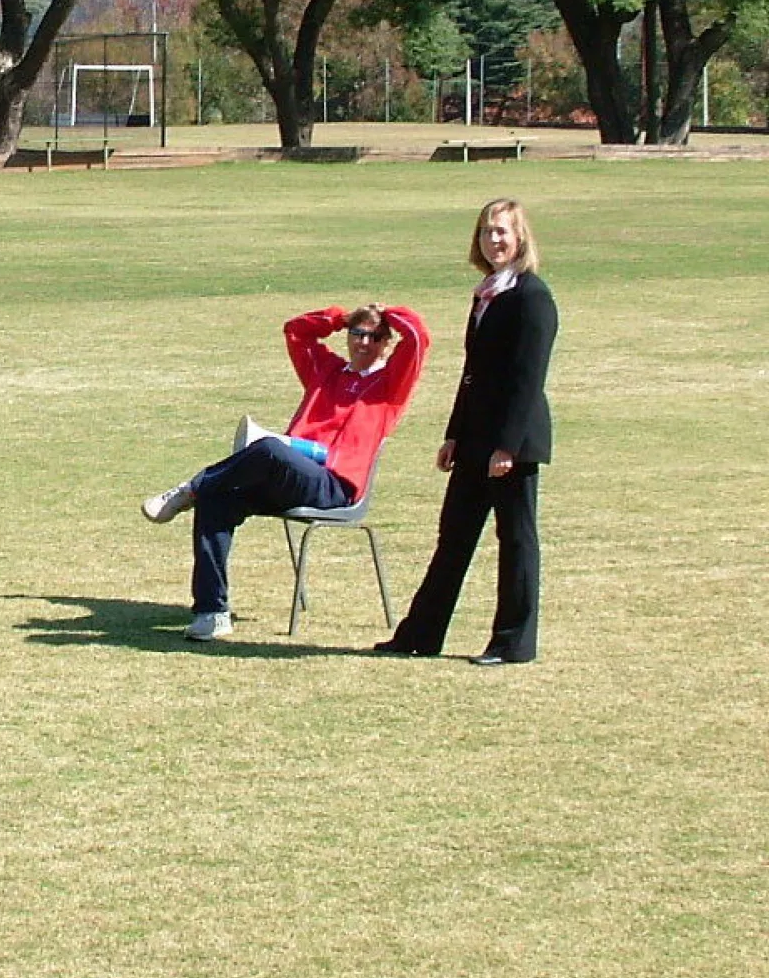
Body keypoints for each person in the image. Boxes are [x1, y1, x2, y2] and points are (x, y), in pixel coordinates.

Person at [142, 302, 429, 640]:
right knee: (216, 499)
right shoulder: (327, 372)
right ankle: (212, 611)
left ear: (386, 342)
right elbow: (296, 330)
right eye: (358, 333)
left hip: (335, 486)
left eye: (376, 337)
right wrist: (339, 318)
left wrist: (389, 312)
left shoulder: (392, 383)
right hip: (290, 476)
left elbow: (419, 337)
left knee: (268, 449)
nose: (365, 343)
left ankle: (190, 488)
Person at [375, 198, 557, 665]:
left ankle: (513, 643)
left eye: (501, 231)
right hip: (474, 440)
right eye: (485, 232)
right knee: (453, 539)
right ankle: (420, 634)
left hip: (510, 444)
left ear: (520, 238)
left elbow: (527, 378)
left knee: (516, 542)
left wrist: (507, 446)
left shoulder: (531, 297)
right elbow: (473, 372)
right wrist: (454, 434)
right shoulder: (486, 294)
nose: (493, 240)